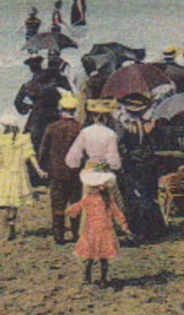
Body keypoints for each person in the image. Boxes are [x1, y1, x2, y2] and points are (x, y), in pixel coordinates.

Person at [65, 165, 130, 287]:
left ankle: (101, 278)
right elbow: (78, 206)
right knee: (93, 257)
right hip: (93, 230)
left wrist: (123, 225)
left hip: (99, 230)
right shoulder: (91, 199)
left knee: (100, 257)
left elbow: (117, 212)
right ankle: (92, 278)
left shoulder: (104, 199)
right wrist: (69, 211)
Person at [117, 92, 168, 243]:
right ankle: (156, 229)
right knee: (149, 195)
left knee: (134, 197)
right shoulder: (147, 125)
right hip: (148, 163)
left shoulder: (127, 126)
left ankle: (139, 231)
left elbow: (121, 144)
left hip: (133, 164)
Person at [0, 111, 42, 240]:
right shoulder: (24, 138)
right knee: (15, 200)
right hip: (19, 173)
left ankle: (8, 221)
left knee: (7, 199)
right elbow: (30, 155)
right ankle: (12, 222)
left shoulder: (0, 139)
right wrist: (39, 170)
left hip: (5, 173)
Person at [39, 94, 84, 243]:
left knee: (58, 204)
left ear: (61, 110)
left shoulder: (51, 127)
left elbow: (43, 151)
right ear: (75, 110)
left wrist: (44, 167)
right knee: (75, 203)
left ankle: (59, 236)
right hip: (75, 172)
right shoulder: (79, 128)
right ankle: (76, 234)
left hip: (56, 172)